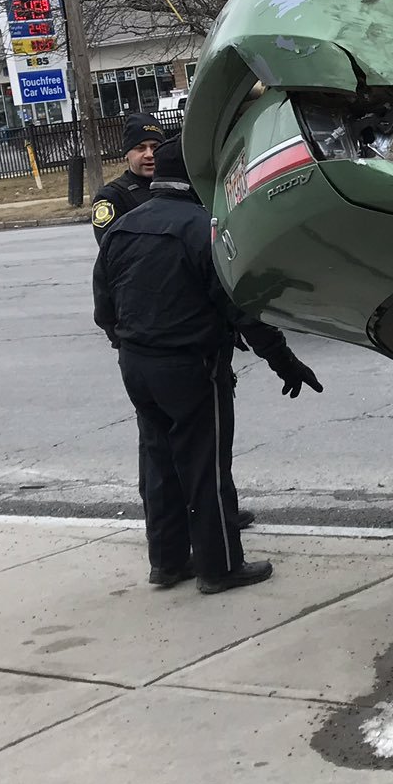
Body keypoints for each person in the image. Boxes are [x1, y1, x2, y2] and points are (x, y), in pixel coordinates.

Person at [92, 136, 323, 593]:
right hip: (191, 368)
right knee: (204, 467)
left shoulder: (123, 228)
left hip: (137, 366)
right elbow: (241, 310)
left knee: (159, 464)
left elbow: (105, 309)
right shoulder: (204, 231)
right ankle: (219, 567)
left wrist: (133, 346)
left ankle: (167, 562)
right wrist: (285, 362)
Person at [91, 113, 166, 244]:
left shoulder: (180, 186)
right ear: (126, 153)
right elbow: (112, 249)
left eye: (155, 146)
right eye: (140, 148)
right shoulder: (112, 197)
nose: (149, 154)